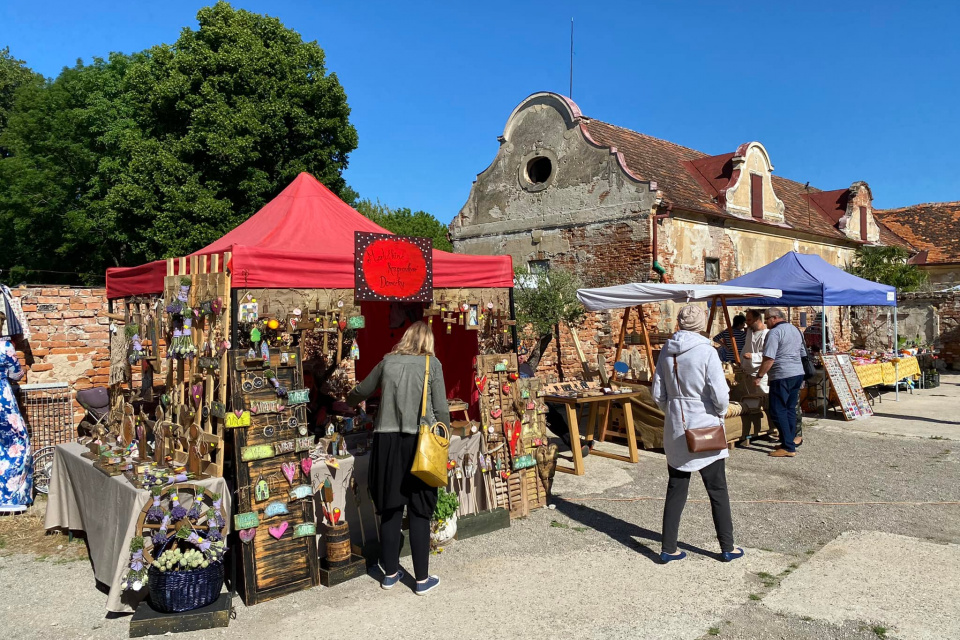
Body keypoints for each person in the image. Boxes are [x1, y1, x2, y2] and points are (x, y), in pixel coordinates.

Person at [346, 321, 449, 595]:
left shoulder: (387, 363)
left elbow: (361, 391)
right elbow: (442, 409)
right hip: (421, 443)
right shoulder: (432, 364)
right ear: (427, 342)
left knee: (390, 509)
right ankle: (422, 581)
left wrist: (347, 399)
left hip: (387, 442)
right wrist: (444, 441)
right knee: (419, 510)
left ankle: (390, 574)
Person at [652, 304, 743, 563]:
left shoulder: (666, 351)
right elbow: (720, 394)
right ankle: (727, 546)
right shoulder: (706, 352)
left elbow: (658, 393)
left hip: (677, 425)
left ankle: (668, 547)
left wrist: (673, 410)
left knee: (676, 488)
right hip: (704, 424)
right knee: (717, 489)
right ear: (701, 323)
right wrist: (718, 411)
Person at [754, 307, 805, 457]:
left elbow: (769, 358)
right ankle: (787, 441)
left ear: (774, 318)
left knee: (777, 410)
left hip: (782, 374)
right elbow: (802, 352)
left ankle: (788, 447)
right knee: (789, 409)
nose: (766, 323)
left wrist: (760, 375)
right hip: (797, 372)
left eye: (767, 319)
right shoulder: (795, 330)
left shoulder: (774, 333)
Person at [0, 312, 32, 513]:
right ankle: (11, 497)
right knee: (18, 443)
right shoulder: (5, 347)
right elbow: (16, 374)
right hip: (2, 399)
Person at [740, 309, 769, 394]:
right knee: (751, 399)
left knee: (762, 397)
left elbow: (769, 355)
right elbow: (746, 348)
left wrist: (753, 356)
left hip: (760, 373)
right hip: (748, 372)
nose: (747, 323)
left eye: (749, 320)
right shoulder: (750, 332)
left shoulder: (767, 334)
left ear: (757, 319)